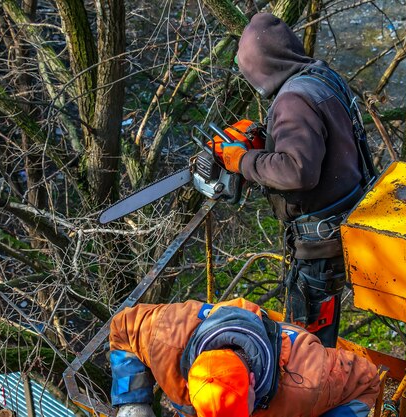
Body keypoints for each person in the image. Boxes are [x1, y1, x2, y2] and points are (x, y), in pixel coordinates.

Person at [216, 13, 377, 347]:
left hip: (321, 241)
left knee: (306, 343)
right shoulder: (320, 75)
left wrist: (243, 160)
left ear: (261, 66)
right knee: (320, 331)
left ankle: (315, 394)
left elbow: (297, 170)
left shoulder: (293, 101)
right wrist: (267, 140)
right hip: (346, 217)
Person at [109, 298, 380, 417]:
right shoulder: (166, 337)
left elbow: (367, 381)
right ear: (189, 383)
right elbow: (122, 327)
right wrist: (133, 403)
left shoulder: (308, 382)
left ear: (252, 381)